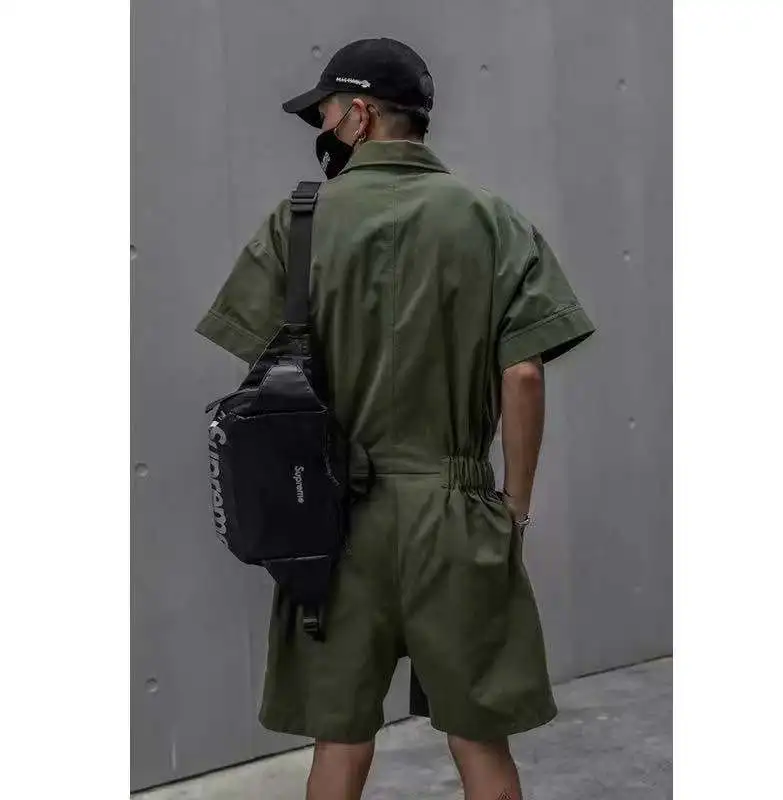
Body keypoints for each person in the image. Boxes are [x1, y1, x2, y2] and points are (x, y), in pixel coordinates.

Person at [195, 36, 595, 800]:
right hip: (455, 510)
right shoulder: (491, 220)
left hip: (332, 521)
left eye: (326, 112)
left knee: (340, 742)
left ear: (361, 114)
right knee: (479, 741)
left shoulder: (300, 221)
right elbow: (523, 372)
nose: (324, 126)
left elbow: (262, 377)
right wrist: (513, 507)